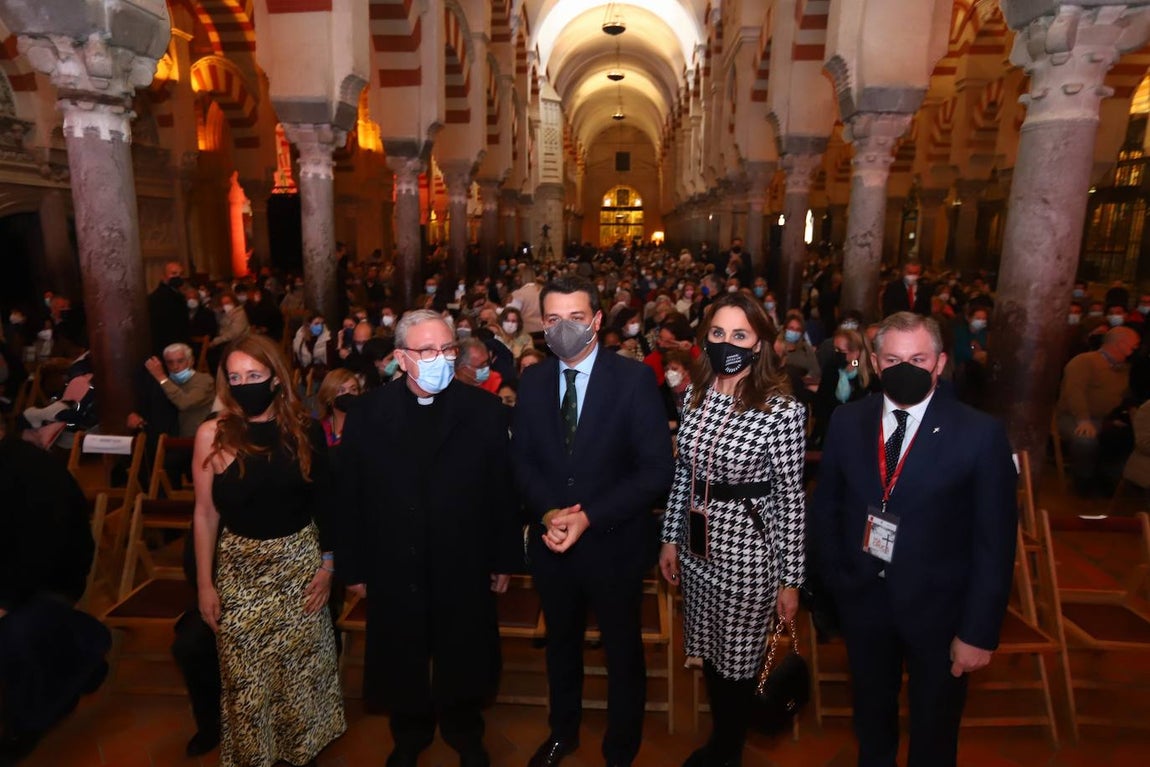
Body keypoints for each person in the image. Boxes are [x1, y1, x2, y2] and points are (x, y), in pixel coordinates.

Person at [810, 311, 1018, 767]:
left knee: (934, 734)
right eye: (893, 359)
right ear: (875, 363)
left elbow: (995, 543)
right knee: (871, 723)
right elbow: (827, 507)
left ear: (940, 363)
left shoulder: (980, 434)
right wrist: (838, 579)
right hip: (864, 602)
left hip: (941, 613)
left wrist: (978, 632)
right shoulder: (848, 421)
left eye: (918, 359)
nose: (905, 369)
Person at [336, 310, 519, 767]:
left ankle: (465, 731)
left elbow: (501, 491)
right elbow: (349, 496)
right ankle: (409, 734)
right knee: (402, 650)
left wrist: (503, 558)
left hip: (464, 556)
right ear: (401, 358)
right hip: (394, 557)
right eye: (427, 350)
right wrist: (353, 565)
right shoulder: (367, 413)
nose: (441, 358)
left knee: (465, 649)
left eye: (447, 349)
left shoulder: (484, 410)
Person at [511, 275, 674, 767]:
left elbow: (655, 471)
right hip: (552, 541)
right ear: (542, 325)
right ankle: (563, 733)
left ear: (597, 320)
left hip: (614, 542)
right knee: (560, 645)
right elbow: (522, 462)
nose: (564, 328)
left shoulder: (633, 380)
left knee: (622, 649)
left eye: (576, 317)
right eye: (554, 319)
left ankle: (621, 746)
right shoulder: (533, 381)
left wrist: (590, 516)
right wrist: (548, 512)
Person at [658, 292, 806, 767]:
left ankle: (727, 751)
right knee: (711, 654)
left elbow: (791, 500)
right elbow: (685, 474)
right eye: (718, 333)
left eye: (740, 335)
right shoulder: (696, 395)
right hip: (697, 550)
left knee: (738, 663)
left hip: (749, 555)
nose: (727, 343)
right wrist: (670, 537)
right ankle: (721, 740)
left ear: (759, 342)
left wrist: (790, 579)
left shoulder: (782, 412)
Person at [191, 334, 345, 767]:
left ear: (276, 377)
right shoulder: (212, 434)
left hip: (299, 564)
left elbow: (326, 503)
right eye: (235, 377)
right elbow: (205, 514)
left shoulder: (303, 428)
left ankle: (300, 754)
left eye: (254, 375)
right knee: (245, 678)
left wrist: (328, 566)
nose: (244, 385)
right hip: (239, 568)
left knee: (300, 673)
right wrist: (204, 584)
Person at [1055, 326, 1139, 496]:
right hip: (1074, 416)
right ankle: (1083, 482)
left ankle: (1109, 480)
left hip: (1108, 418)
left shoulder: (1124, 369)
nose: (1136, 348)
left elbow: (1126, 397)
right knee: (1085, 440)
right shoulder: (1084, 361)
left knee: (1128, 437)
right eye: (1133, 344)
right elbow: (1074, 392)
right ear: (1120, 343)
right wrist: (1083, 419)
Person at [149, 261, 191, 355]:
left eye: (181, 274)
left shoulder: (177, 295)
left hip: (178, 345)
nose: (178, 277)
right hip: (168, 348)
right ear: (163, 276)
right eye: (174, 273)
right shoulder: (159, 297)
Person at [316, 368, 361, 447]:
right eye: (341, 390)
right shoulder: (318, 423)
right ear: (328, 396)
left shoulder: (363, 426)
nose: (348, 394)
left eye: (353, 390)